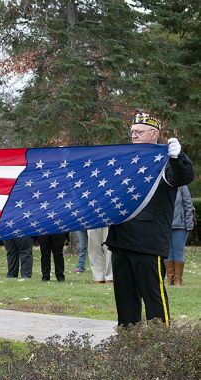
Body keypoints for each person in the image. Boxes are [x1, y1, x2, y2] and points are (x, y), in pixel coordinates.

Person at [106, 111, 194, 327]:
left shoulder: (165, 160)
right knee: (125, 298)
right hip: (121, 238)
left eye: (139, 132)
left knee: (153, 297)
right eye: (132, 132)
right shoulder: (124, 159)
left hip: (148, 241)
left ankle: (159, 343)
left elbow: (183, 177)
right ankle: (127, 342)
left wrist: (178, 157)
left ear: (154, 134)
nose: (134, 135)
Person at [167, 186, 195, 286]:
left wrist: (189, 224)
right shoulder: (162, 186)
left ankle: (178, 280)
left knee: (178, 252)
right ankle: (170, 279)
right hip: (165, 226)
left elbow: (188, 205)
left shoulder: (183, 187)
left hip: (180, 226)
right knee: (168, 253)